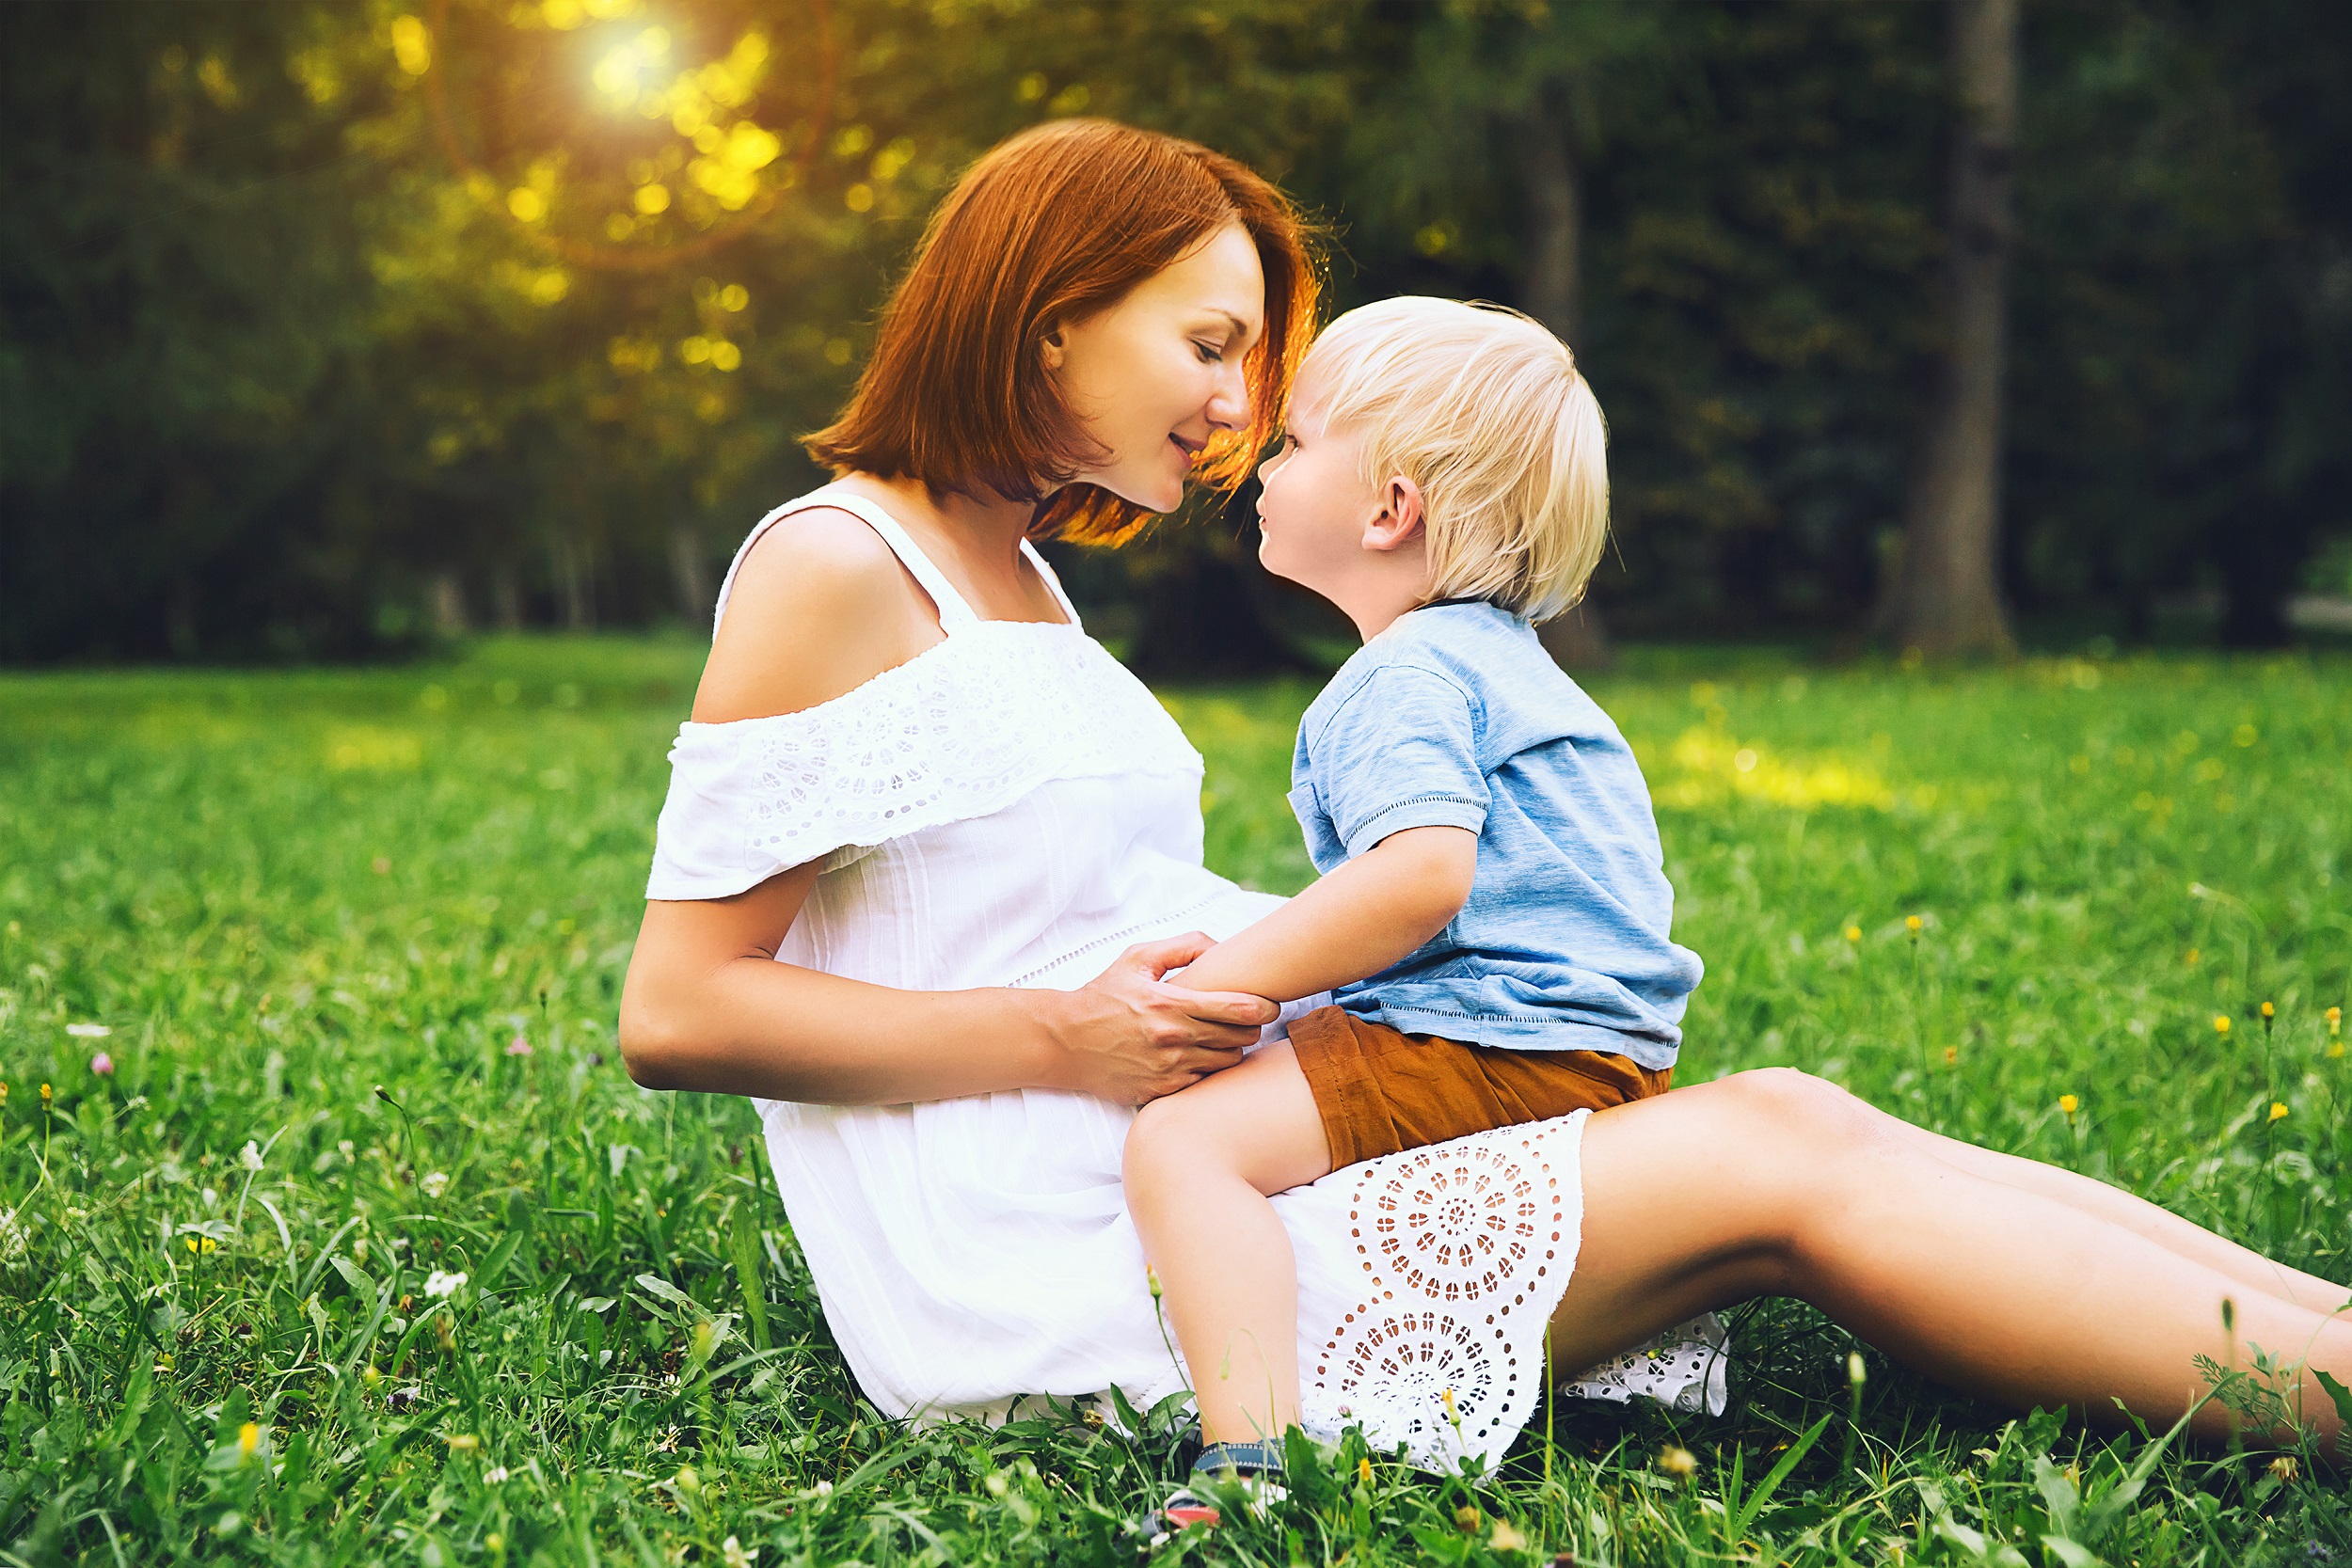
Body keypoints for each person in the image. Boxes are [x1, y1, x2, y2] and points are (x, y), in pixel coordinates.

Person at [619, 119, 2352, 1503]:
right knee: (1778, 1163)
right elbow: (681, 1009)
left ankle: (2329, 1332)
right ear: (1054, 308)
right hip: (1075, 1242)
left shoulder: (1024, 580)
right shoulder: (836, 562)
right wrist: (1066, 1038)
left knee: (1801, 1115)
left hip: (1212, 1139)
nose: (1237, 408)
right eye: (1211, 344)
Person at [1122, 297, 1703, 1500]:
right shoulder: (1503, 662)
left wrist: (1221, 982)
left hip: (1497, 1032)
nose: (1263, 464)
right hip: (1602, 1045)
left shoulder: (1405, 672)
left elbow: (1420, 879)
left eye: (1292, 442)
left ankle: (1245, 1453)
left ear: (1390, 508)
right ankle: (1603, 1362)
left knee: (1186, 1142)